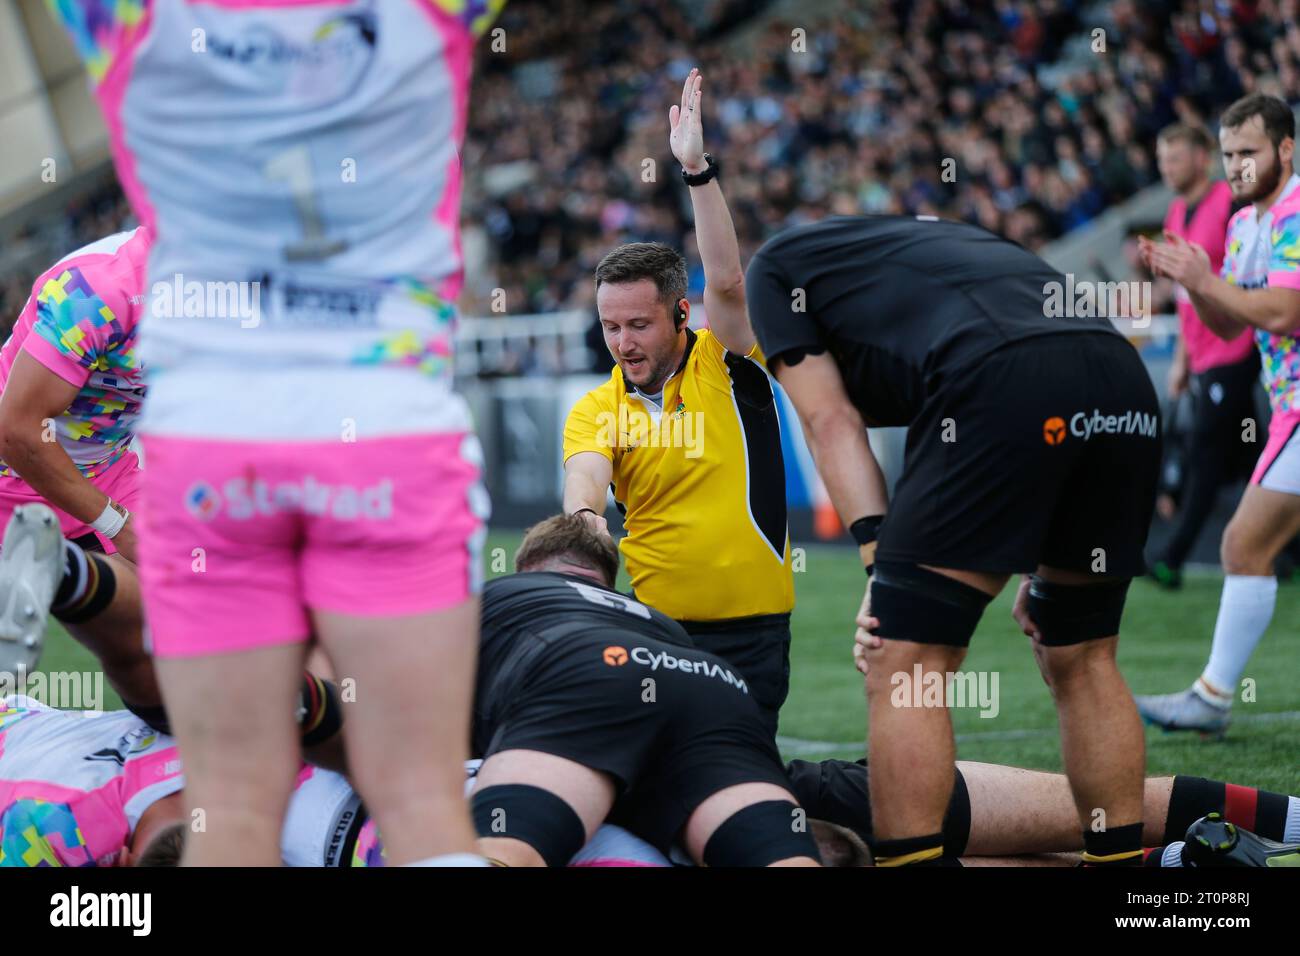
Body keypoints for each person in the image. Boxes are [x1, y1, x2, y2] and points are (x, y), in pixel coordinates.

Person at [47, 0, 503, 866]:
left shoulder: (134, 21)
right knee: (421, 803)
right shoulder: (423, 15)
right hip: (388, 439)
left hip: (211, 451)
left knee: (229, 814)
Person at [744, 214, 1161, 866]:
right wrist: (1038, 568)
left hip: (1002, 375)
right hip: (1118, 375)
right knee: (1082, 655)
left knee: (903, 660)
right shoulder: (920, 262)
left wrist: (880, 574)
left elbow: (830, 422)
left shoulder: (772, 273)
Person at [563, 71, 794, 737]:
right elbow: (586, 473)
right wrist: (584, 516)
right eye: (611, 327)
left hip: (754, 637)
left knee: (736, 783)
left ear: (680, 313)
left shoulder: (725, 362)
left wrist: (695, 170)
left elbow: (727, 277)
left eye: (639, 324)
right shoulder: (595, 407)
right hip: (656, 633)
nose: (622, 342)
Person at [464, 514, 819, 867]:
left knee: (507, 851)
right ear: (606, 578)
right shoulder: (653, 617)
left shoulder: (499, 595)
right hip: (713, 681)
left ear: (525, 566)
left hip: (584, 667)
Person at [1137, 93, 1300, 734]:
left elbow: (1288, 313)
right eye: (1229, 155)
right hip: (1287, 407)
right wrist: (1194, 282)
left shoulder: (1294, 212)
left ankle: (1211, 696)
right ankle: (1212, 696)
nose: (1236, 166)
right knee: (1246, 544)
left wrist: (1204, 283)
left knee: (1243, 542)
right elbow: (1229, 319)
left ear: (1285, 150)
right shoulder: (1242, 224)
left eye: (1248, 153)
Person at [0, 228, 154, 708]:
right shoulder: (98, 290)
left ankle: (64, 571)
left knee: (175, 623)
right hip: (10, 473)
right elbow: (16, 430)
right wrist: (116, 523)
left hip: (107, 469)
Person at [1147, 123, 1256, 588]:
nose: (1167, 169)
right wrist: (1181, 361)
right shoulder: (1175, 212)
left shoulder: (1229, 204)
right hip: (1203, 350)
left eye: (1175, 159)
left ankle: (1172, 556)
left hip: (1237, 342)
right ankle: (1287, 553)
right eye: (1162, 161)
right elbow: (1183, 290)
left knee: (1205, 449)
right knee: (1249, 452)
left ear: (1200, 159)